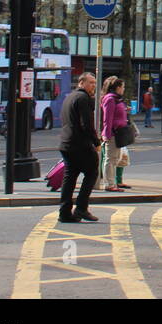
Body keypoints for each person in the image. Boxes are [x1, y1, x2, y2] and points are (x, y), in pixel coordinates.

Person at [59, 73, 102, 223]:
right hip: (79, 144)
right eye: (91, 83)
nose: (93, 86)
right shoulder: (83, 98)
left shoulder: (69, 97)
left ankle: (64, 212)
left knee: (69, 178)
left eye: (95, 83)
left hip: (66, 143)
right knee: (92, 173)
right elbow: (87, 125)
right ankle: (81, 208)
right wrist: (96, 142)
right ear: (81, 82)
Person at [99, 76, 131, 192]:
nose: (123, 89)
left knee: (115, 158)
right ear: (117, 88)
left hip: (118, 133)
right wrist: (107, 135)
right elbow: (107, 119)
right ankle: (109, 184)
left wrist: (124, 110)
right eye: (123, 87)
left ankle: (112, 183)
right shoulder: (110, 99)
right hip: (113, 133)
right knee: (111, 159)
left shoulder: (116, 99)